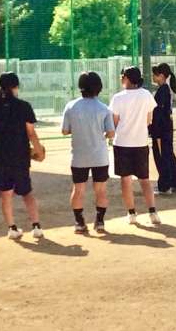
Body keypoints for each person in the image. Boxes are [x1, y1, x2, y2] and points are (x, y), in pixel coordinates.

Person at [0, 72, 45, 240]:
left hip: (1, 157)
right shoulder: (23, 106)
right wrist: (38, 150)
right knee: (27, 192)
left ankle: (12, 228)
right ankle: (36, 226)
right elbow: (31, 132)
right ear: (16, 87)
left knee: (6, 194)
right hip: (20, 156)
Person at [62, 72, 115, 234]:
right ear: (99, 87)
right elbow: (111, 133)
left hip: (79, 156)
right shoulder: (104, 108)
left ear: (80, 87)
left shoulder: (71, 106)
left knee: (78, 190)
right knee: (101, 190)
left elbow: (65, 130)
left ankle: (79, 222)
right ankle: (100, 221)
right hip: (99, 156)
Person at [109, 66, 161, 225]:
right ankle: (153, 212)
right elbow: (149, 119)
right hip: (140, 142)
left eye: (122, 76)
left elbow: (114, 122)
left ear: (126, 78)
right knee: (144, 179)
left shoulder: (118, 98)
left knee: (126, 180)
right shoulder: (146, 95)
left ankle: (131, 213)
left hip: (122, 143)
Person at [151, 63, 176, 195]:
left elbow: (159, 112)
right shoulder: (166, 89)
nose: (153, 77)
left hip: (161, 128)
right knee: (169, 155)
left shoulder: (163, 90)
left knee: (162, 156)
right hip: (167, 127)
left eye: (155, 75)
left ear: (161, 76)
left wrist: (155, 131)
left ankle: (165, 186)